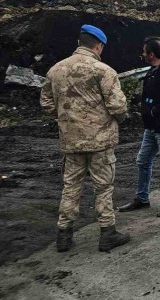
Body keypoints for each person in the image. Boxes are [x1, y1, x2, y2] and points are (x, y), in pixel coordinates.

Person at [40, 24, 131, 252]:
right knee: (103, 187)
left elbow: (47, 105)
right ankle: (107, 233)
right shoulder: (103, 71)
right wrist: (117, 119)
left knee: (71, 186)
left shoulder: (55, 70)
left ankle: (63, 235)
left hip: (71, 141)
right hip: (100, 141)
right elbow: (118, 106)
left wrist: (66, 118)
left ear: (78, 43)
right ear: (99, 46)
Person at [117, 37, 160, 217]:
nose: (142, 55)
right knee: (142, 161)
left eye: (144, 52)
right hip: (151, 127)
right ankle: (142, 198)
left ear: (151, 55)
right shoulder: (153, 71)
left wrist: (155, 111)